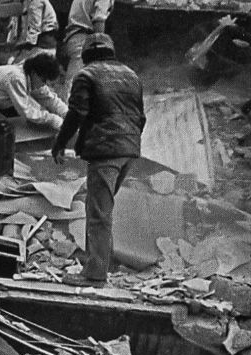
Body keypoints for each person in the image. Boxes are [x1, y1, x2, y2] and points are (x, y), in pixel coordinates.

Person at [52, 34, 144, 288]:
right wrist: (129, 143)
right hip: (130, 149)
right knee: (104, 210)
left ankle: (94, 274)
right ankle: (101, 265)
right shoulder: (132, 75)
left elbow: (77, 113)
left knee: (98, 215)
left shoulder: (86, 75)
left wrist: (60, 143)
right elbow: (141, 117)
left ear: (86, 55)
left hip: (105, 150)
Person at [0, 53, 67, 176]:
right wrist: (54, 120)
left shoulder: (33, 78)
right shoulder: (16, 77)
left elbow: (50, 99)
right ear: (35, 73)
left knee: (25, 121)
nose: (44, 85)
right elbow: (27, 111)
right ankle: (3, 171)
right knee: (6, 127)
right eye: (43, 81)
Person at [62, 0, 114, 98]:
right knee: (76, 85)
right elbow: (99, 20)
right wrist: (101, 48)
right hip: (84, 38)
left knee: (77, 83)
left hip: (75, 36)